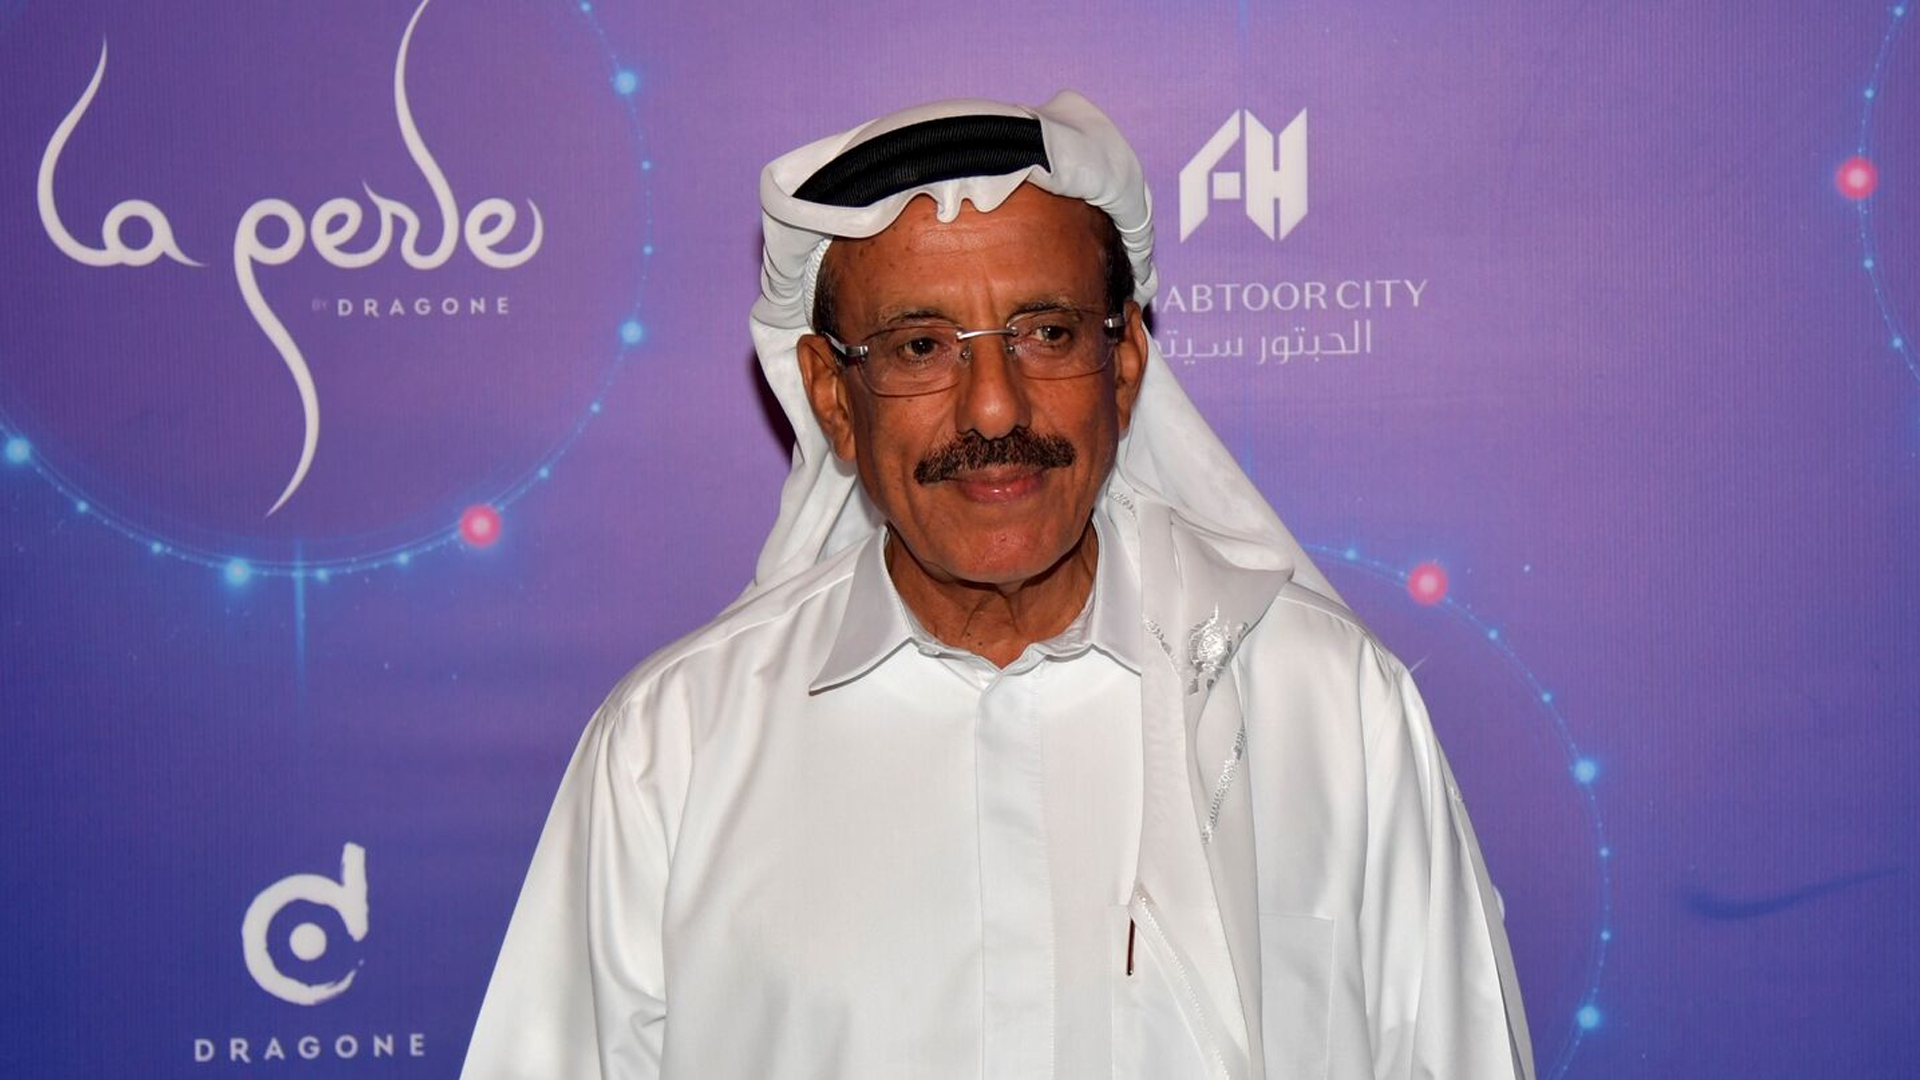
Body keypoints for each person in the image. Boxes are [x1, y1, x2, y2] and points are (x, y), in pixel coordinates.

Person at [460, 91, 1533, 1080]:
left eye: (1046, 333)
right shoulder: (673, 752)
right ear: (832, 397)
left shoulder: (1329, 706)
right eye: (920, 346)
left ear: (1124, 364)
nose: (992, 408)